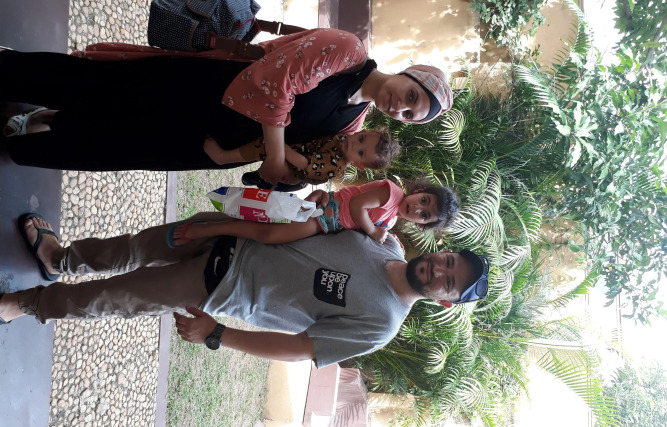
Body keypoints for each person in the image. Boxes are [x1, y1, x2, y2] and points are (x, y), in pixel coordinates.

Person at [0, 214, 489, 368]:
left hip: (218, 285)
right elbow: (327, 214)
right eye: (448, 262)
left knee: (112, 298)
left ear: (445, 300)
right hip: (228, 232)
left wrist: (217, 335)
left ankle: (26, 304)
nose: (438, 270)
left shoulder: (381, 325)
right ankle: (60, 258)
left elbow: (300, 349)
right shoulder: (385, 244)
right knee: (133, 246)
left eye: (448, 281)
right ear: (444, 251)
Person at [0, 29, 453, 179]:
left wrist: (282, 167)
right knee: (95, 88)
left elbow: (307, 155)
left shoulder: (354, 124)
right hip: (199, 90)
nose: (400, 106)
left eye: (409, 114)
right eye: (411, 94)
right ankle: (10, 73)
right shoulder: (347, 51)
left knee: (114, 147)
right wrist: (276, 156)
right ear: (409, 73)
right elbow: (275, 82)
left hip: (208, 143)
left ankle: (22, 143)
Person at [168, 178, 459, 247]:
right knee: (268, 234)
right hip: (320, 215)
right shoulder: (390, 193)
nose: (417, 208)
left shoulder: (391, 219)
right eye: (424, 200)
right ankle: (206, 228)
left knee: (267, 221)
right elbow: (356, 206)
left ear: (420, 225)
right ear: (420, 189)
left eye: (424, 215)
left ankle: (213, 225)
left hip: (323, 226)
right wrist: (373, 232)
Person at [204, 127, 400, 185]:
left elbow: (304, 163)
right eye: (362, 138)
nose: (355, 143)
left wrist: (278, 145)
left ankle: (222, 157)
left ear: (359, 164)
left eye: (360, 152)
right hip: (296, 150)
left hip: (292, 167)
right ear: (362, 131)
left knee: (262, 146)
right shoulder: (344, 139)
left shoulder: (336, 165)